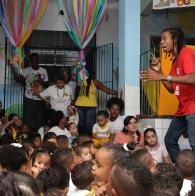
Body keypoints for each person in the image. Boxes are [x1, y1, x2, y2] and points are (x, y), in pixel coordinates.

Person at [140, 27, 195, 163]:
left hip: (193, 106)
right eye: (161, 40)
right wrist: (159, 73)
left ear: (175, 39)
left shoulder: (186, 53)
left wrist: (163, 76)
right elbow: (171, 88)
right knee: (170, 140)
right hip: (182, 108)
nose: (162, 42)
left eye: (164, 38)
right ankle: (184, 171)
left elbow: (192, 78)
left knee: (194, 144)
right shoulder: (174, 61)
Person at [10, 53, 48, 131]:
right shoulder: (26, 70)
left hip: (40, 99)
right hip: (29, 99)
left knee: (40, 120)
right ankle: (27, 137)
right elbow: (19, 80)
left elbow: (47, 84)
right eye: (33, 60)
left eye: (36, 60)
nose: (35, 62)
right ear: (30, 62)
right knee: (28, 120)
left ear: (38, 60)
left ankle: (39, 137)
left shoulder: (43, 70)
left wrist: (42, 81)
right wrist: (13, 69)